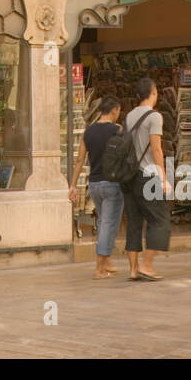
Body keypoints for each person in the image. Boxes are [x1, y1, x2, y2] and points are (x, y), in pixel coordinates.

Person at [120, 77, 171, 281]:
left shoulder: (129, 116)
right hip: (148, 175)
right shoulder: (154, 117)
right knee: (160, 220)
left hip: (129, 176)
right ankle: (147, 265)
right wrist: (163, 177)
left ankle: (133, 269)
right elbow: (156, 148)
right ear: (153, 93)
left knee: (133, 222)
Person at [68, 96, 125, 279]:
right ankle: (99, 266)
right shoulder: (117, 130)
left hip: (94, 184)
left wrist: (73, 185)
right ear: (115, 110)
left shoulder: (88, 131)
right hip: (112, 183)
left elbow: (79, 160)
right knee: (109, 223)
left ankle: (106, 261)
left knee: (103, 221)